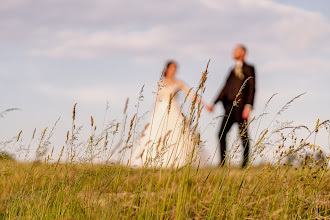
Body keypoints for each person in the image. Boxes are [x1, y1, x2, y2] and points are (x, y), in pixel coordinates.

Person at [130, 61, 209, 168]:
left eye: (175, 68)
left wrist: (205, 104)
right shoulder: (160, 82)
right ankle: (152, 160)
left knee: (177, 134)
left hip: (174, 110)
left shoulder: (179, 82)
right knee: (156, 134)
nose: (174, 70)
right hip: (160, 111)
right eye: (172, 68)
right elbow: (157, 99)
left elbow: (191, 95)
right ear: (167, 69)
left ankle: (178, 161)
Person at [209, 45, 256, 168]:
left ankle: (245, 164)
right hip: (229, 107)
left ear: (243, 52)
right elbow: (224, 88)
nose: (233, 52)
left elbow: (252, 87)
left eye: (236, 50)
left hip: (241, 108)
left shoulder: (249, 68)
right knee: (221, 134)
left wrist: (248, 106)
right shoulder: (231, 70)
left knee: (243, 136)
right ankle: (223, 163)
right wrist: (214, 103)